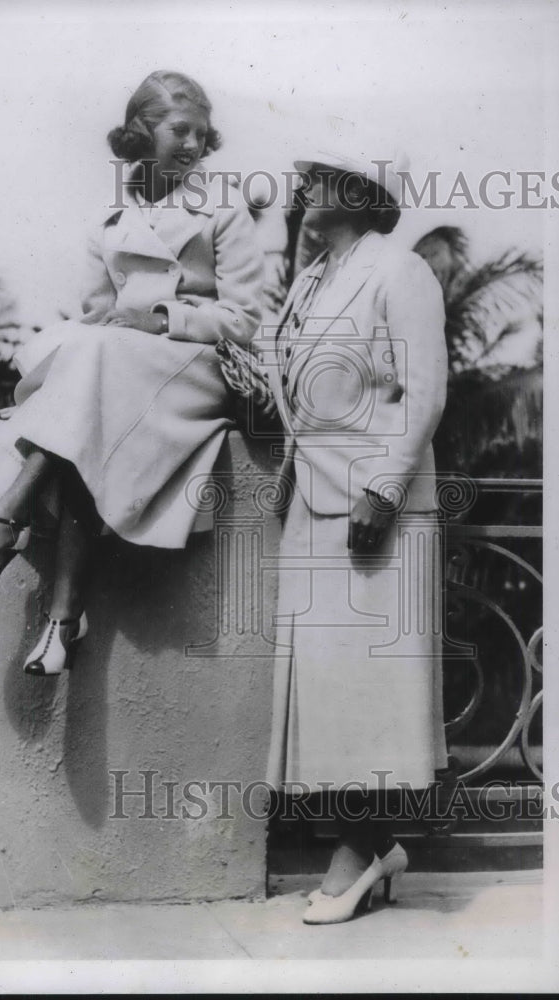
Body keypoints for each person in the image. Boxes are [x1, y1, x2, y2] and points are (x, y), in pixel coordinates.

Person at [0, 71, 263, 675]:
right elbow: (95, 316)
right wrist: (120, 328)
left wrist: (162, 317)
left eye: (201, 133)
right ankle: (65, 619)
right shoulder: (109, 221)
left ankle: (8, 514)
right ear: (141, 133)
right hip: (122, 371)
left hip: (197, 365)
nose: (193, 145)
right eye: (179, 130)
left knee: (95, 368)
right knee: (87, 385)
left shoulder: (223, 210)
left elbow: (245, 319)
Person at [263, 140, 449, 923]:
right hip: (313, 503)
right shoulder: (309, 279)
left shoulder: (398, 269)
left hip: (376, 510)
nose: (301, 186)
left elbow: (425, 388)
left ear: (358, 192)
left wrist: (382, 487)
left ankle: (361, 853)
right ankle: (371, 849)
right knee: (330, 693)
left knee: (369, 692)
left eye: (317, 177)